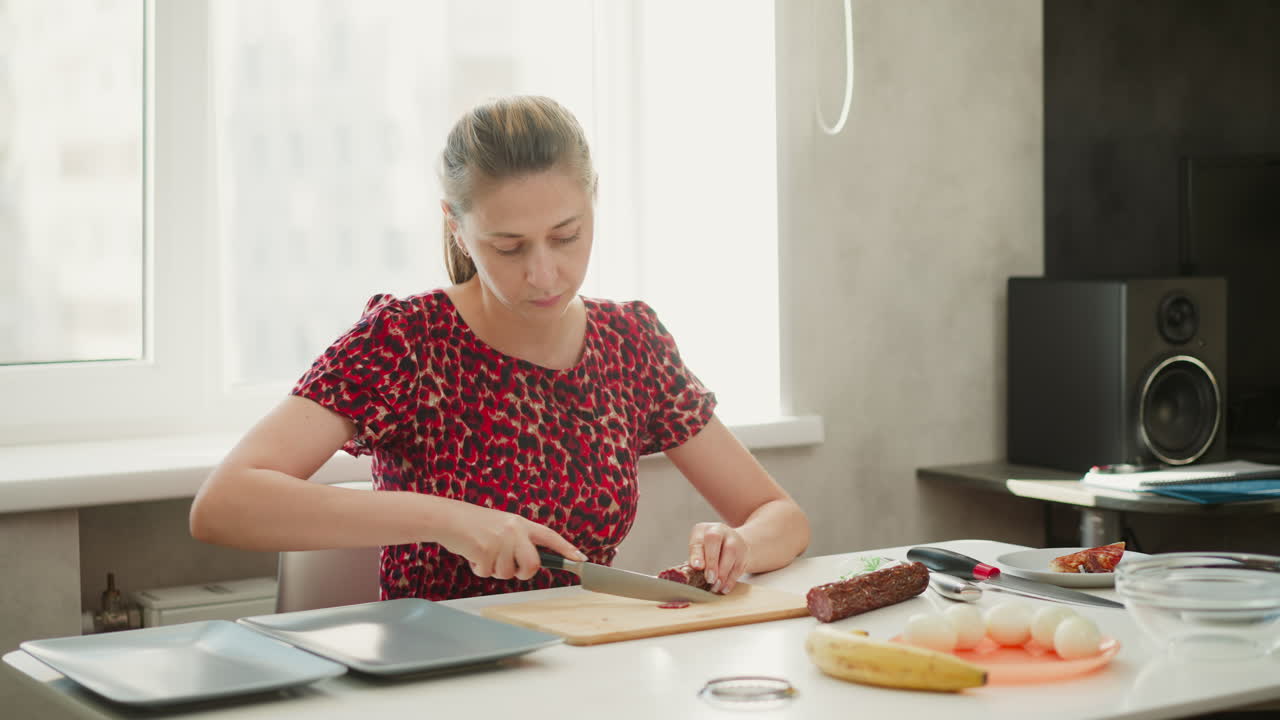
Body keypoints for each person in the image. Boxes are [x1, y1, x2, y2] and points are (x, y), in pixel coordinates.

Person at [190, 95, 810, 601]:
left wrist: (740, 547)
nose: (544, 274)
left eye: (566, 237)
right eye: (509, 247)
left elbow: (779, 514)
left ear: (595, 200)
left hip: (581, 667)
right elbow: (224, 504)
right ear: (456, 225)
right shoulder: (408, 340)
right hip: (437, 675)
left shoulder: (632, 342)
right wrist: (449, 519)